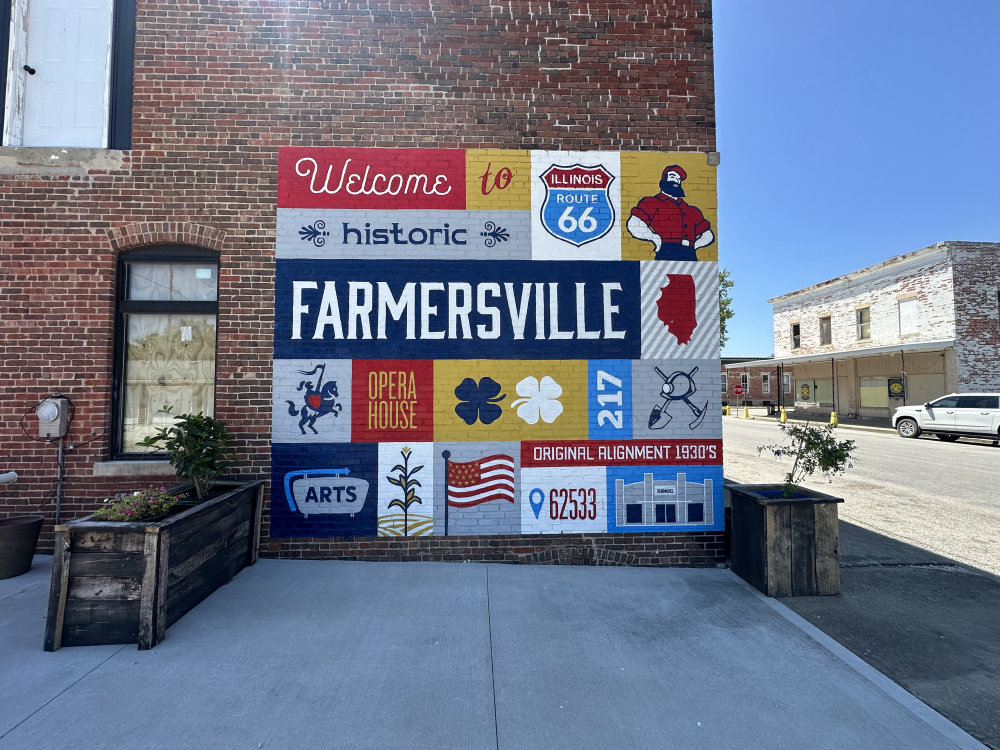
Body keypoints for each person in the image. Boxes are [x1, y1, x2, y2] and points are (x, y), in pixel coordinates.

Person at [627, 165, 715, 261]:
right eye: (672, 176)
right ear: (664, 179)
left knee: (692, 276)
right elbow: (634, 223)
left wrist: (694, 246)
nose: (676, 181)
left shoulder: (692, 210)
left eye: (679, 179)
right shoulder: (652, 202)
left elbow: (708, 235)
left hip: (689, 254)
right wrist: (653, 237)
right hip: (666, 251)